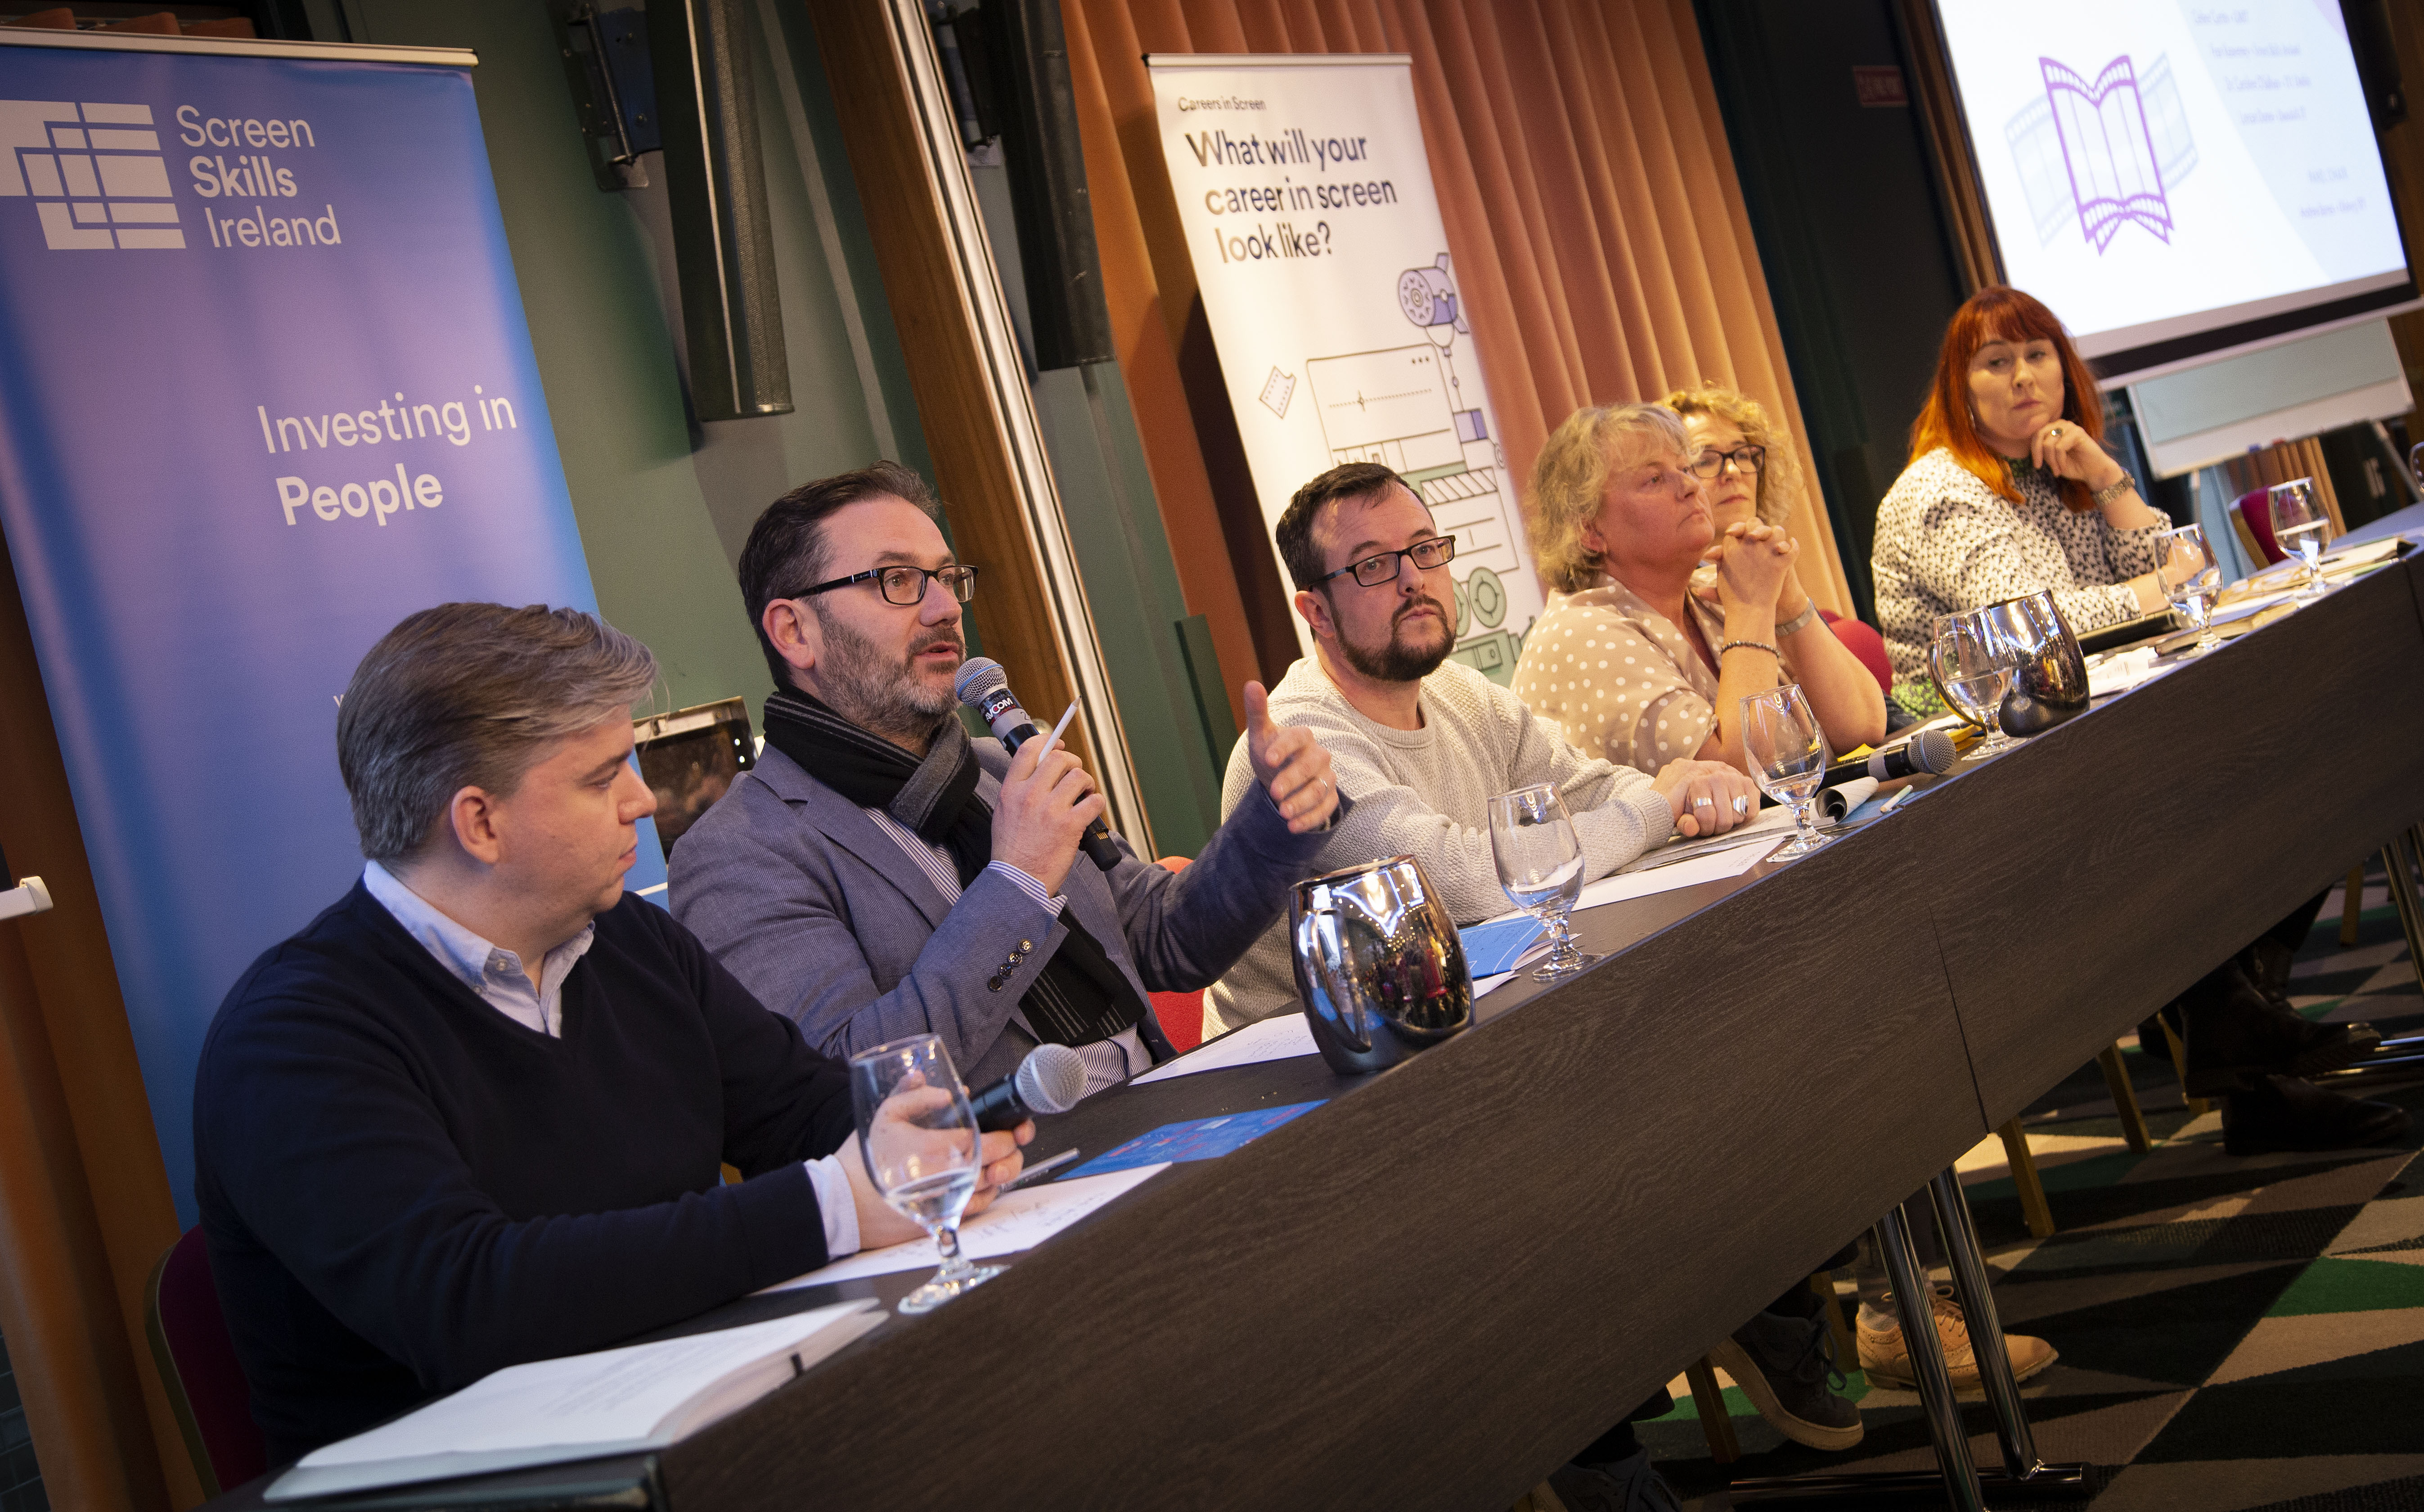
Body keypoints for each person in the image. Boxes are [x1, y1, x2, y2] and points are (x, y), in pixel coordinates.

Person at [193, 604, 1031, 1464]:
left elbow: (803, 1113)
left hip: (707, 1420)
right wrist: (832, 1206)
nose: (642, 799)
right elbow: (472, 1303)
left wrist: (923, 1141)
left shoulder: (632, 940)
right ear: (479, 822)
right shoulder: (292, 1037)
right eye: (601, 779)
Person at [1201, 462, 1844, 1508]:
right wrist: (1659, 803)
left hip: (1480, 1036)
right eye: (1372, 565)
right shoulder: (1300, 740)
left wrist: (1647, 798)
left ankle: (1740, 1293)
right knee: (1567, 1141)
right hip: (1340, 1110)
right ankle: (1582, 1431)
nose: (1413, 580)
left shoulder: (1455, 691)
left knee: (1727, 1051)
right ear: (1313, 607)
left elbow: (1590, 792)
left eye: (1423, 551)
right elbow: (1460, 883)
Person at [1868, 286, 2402, 1156]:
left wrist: (2106, 477)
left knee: (2304, 754)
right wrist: (2159, 590)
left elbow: (2183, 569)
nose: (2021, 377)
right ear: (1958, 388)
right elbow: (2031, 625)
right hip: (1987, 764)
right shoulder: (1940, 492)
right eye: (1994, 362)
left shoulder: (2055, 473)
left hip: (2083, 728)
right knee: (2224, 781)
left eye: (2036, 354)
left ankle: (2244, 1049)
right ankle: (2246, 1054)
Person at [670, 462, 1342, 1097]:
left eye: (945, 577)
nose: (943, 608)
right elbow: (848, 1084)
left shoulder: (996, 769)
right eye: (898, 580)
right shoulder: (741, 852)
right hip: (1015, 1185)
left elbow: (1167, 943)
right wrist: (1018, 882)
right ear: (794, 631)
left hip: (1161, 1109)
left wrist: (1275, 816)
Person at [1511, 401, 1885, 775]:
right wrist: (1752, 607)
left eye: (1685, 468)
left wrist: (1789, 603)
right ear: (1589, 531)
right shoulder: (1578, 635)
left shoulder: (1710, 591)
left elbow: (1862, 728)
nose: (1690, 486)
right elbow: (1746, 776)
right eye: (1654, 479)